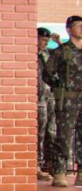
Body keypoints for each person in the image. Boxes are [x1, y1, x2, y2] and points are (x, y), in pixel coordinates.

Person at [44, 16, 82, 188]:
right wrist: (59, 87)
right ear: (68, 30)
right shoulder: (62, 51)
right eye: (77, 25)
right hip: (68, 100)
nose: (81, 28)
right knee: (64, 136)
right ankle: (59, 172)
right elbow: (47, 73)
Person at [36, 27, 58, 182]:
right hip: (38, 99)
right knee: (39, 133)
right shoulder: (29, 54)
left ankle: (51, 165)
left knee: (52, 132)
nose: (45, 43)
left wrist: (58, 43)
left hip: (51, 98)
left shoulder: (50, 53)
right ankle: (37, 165)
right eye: (43, 40)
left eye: (47, 41)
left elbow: (66, 56)